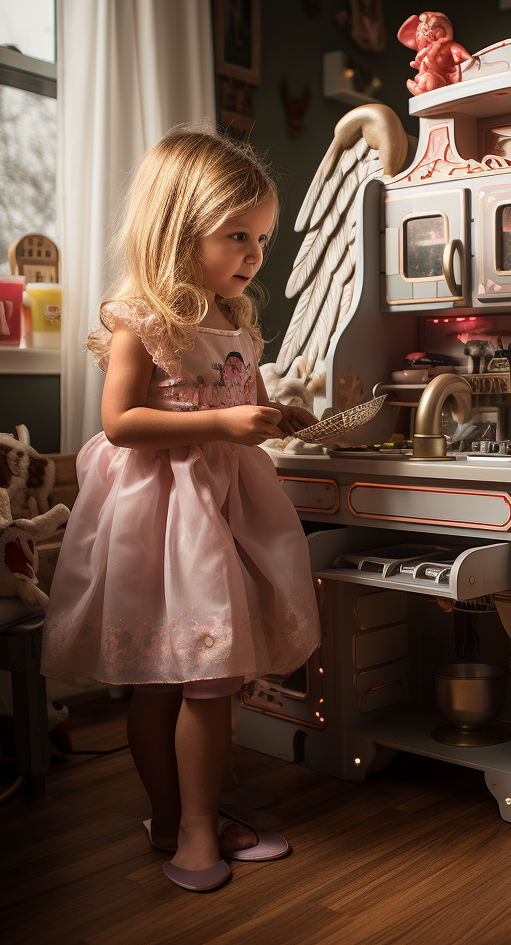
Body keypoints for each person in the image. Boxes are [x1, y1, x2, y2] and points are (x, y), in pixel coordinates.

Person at [41, 127, 321, 892]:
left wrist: (274, 413)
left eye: (262, 237)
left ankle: (193, 817)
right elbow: (121, 423)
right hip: (163, 520)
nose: (255, 253)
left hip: (223, 514)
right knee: (164, 680)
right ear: (177, 228)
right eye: (238, 235)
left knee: (207, 676)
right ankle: (183, 825)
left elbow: (243, 396)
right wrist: (221, 426)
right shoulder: (143, 317)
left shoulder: (238, 318)